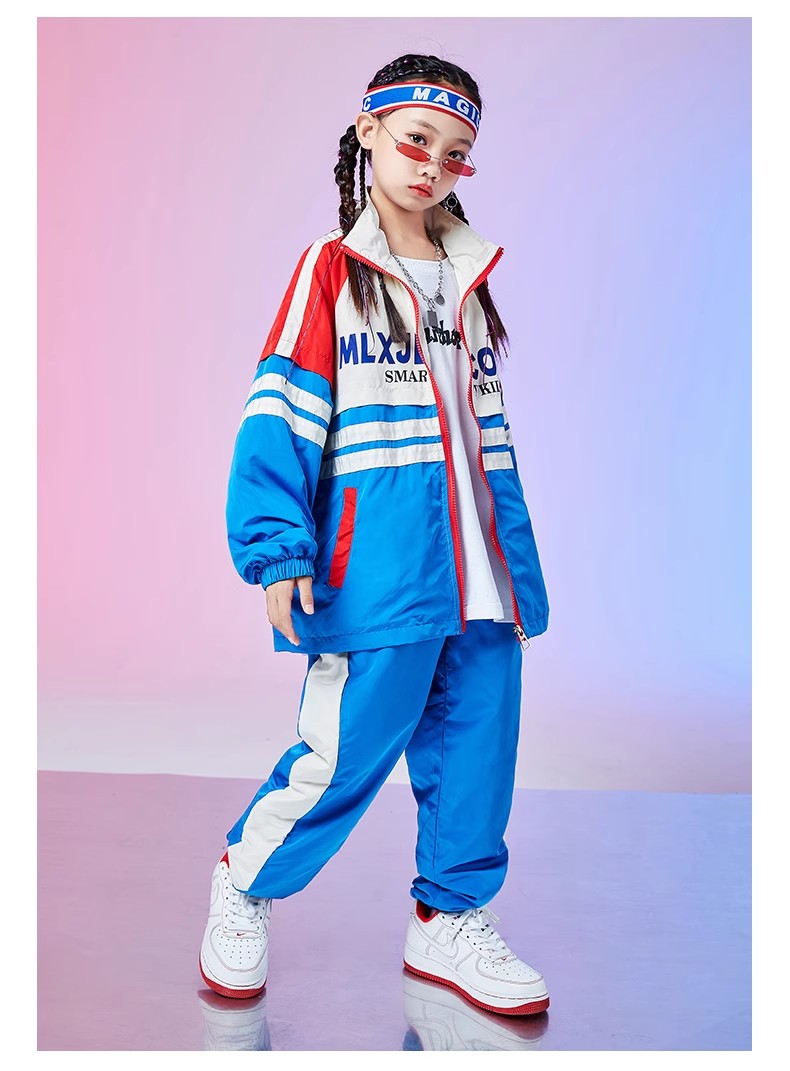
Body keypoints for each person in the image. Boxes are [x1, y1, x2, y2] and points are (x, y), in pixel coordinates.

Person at [199, 53, 551, 1019]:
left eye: (455, 152)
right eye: (416, 140)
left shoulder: (470, 275)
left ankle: (448, 918)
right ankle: (244, 879)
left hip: (483, 576)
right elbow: (280, 409)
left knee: (479, 752)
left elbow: (483, 435)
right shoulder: (331, 269)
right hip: (381, 571)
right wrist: (278, 547)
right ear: (369, 132)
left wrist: (517, 566)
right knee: (344, 754)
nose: (432, 164)